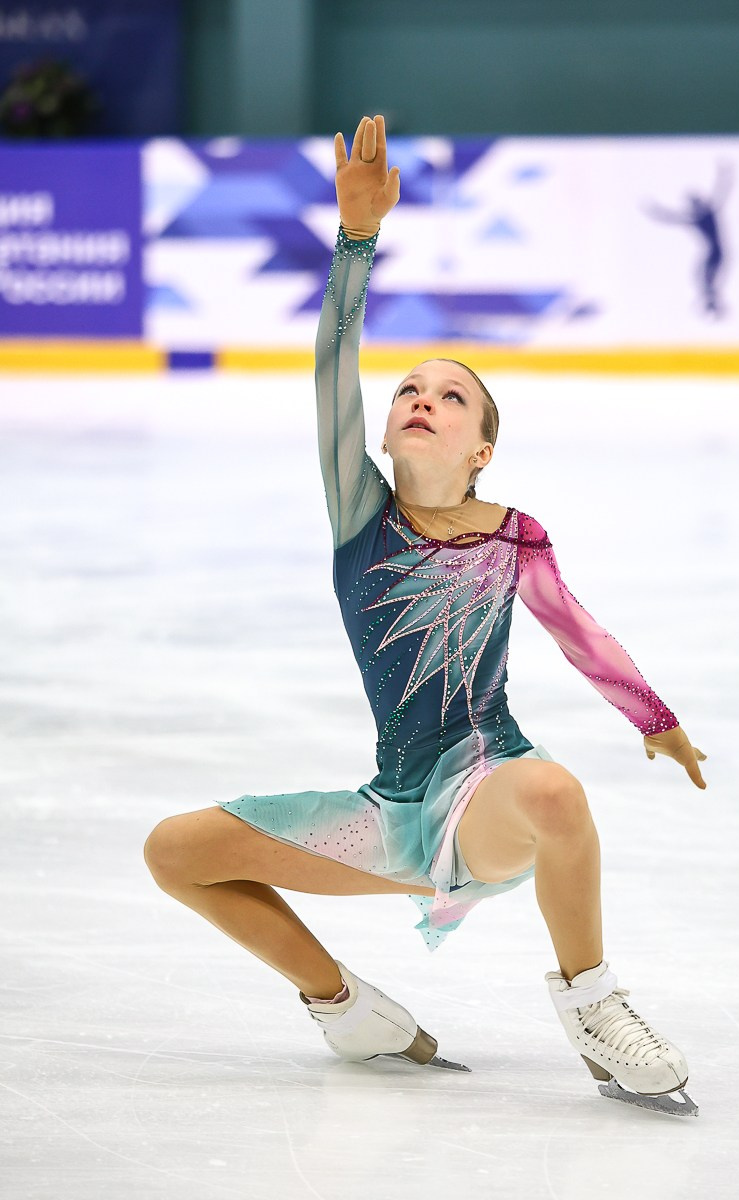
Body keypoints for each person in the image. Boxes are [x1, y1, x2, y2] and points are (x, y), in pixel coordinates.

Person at [144, 115, 708, 1115]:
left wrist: (654, 718)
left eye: (451, 397)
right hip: (390, 815)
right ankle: (347, 1007)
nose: (421, 398)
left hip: (486, 792)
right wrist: (354, 240)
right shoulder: (362, 517)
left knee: (555, 793)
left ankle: (593, 1006)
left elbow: (579, 632)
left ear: (481, 447)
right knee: (176, 852)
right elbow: (333, 370)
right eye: (409, 388)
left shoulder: (515, 536)